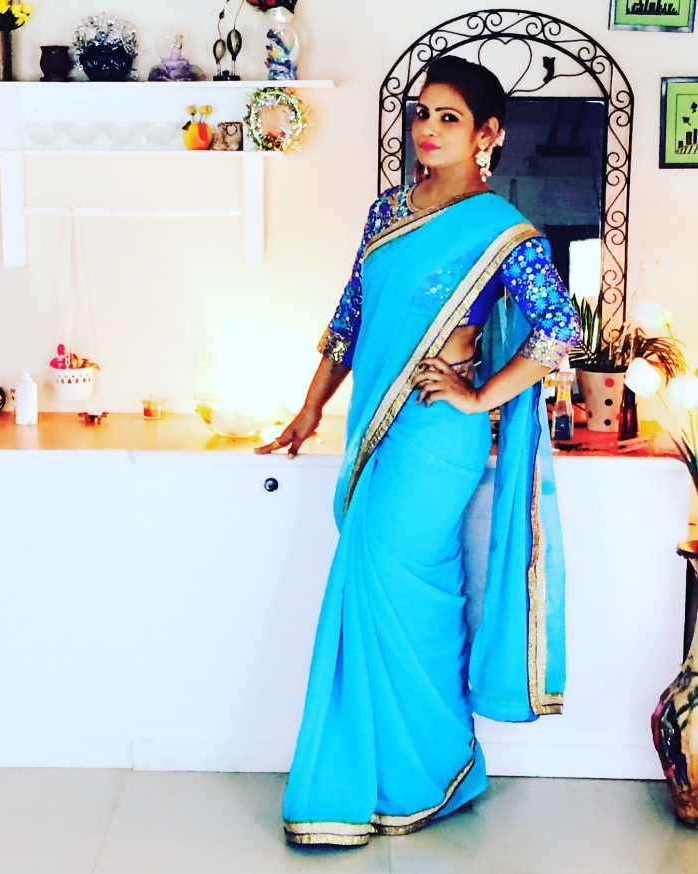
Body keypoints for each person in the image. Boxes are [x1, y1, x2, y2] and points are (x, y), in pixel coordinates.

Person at [256, 55, 580, 847]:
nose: (428, 130)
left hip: (438, 435)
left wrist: (478, 395)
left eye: (449, 118)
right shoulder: (387, 212)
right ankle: (394, 773)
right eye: (422, 114)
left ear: (488, 134)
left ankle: (422, 771)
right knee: (377, 593)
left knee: (405, 589)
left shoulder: (502, 231)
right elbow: (350, 318)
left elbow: (559, 330)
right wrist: (310, 409)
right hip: (374, 424)